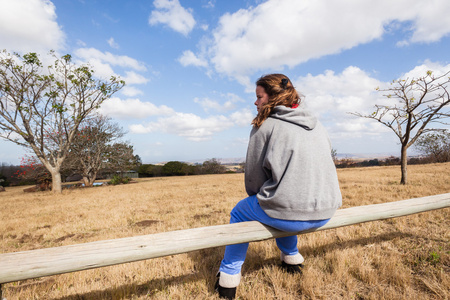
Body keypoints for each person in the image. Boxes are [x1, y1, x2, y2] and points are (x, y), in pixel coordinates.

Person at [215, 74, 342, 299]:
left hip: (290, 213)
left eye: (259, 97)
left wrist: (262, 197)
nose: (255, 103)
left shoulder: (264, 125)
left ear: (272, 97)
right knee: (283, 200)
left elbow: (254, 178)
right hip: (327, 211)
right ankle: (292, 258)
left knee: (241, 211)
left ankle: (228, 278)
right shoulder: (317, 124)